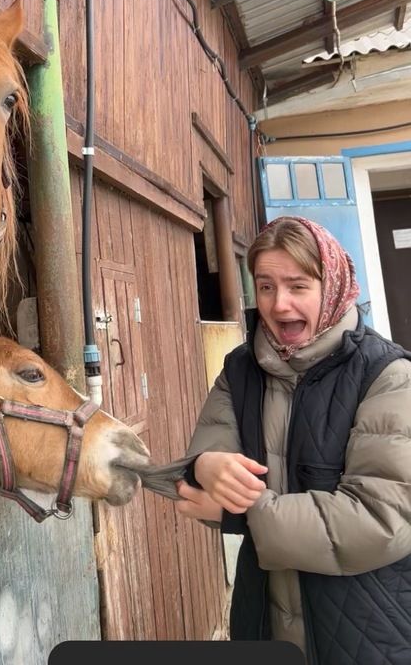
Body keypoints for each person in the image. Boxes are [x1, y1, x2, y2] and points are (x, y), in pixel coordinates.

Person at [176, 215, 411, 665]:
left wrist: (249, 514)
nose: (279, 305)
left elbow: (382, 519)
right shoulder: (240, 372)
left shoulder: (387, 376)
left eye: (297, 286)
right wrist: (206, 465)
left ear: (333, 286)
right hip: (261, 622)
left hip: (364, 629)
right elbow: (197, 477)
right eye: (265, 286)